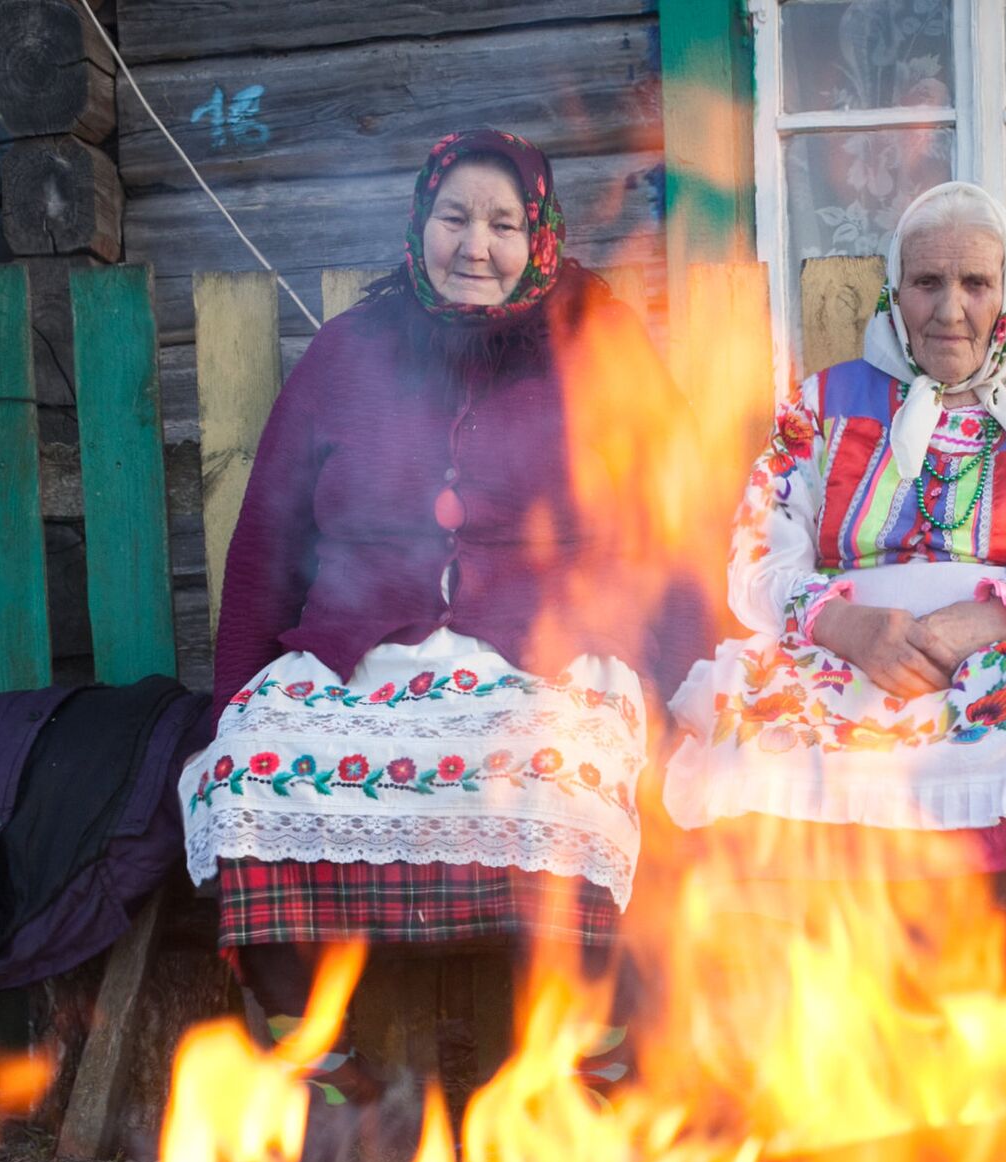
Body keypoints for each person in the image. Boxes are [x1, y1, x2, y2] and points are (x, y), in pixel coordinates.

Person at [180, 128, 701, 1097]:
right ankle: (311, 1053)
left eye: (503, 223)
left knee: (564, 780)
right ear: (419, 223)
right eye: (453, 217)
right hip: (360, 646)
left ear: (537, 234)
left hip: (548, 649)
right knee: (250, 772)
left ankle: (587, 1052)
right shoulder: (352, 348)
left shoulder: (600, 340)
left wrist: (692, 682)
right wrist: (232, 696)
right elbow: (269, 531)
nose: (476, 245)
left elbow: (672, 514)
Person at [664, 181, 1006, 1001]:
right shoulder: (821, 410)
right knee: (761, 754)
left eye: (975, 284)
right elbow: (756, 554)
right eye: (928, 283)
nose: (950, 309)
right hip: (849, 649)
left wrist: (989, 617)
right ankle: (830, 1046)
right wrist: (847, 629)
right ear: (897, 291)